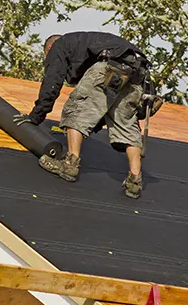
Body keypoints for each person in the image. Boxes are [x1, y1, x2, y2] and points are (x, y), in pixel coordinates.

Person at [14, 31, 155, 199]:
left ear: (49, 47)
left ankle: (70, 165)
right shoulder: (89, 43)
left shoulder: (60, 45)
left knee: (76, 109)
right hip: (139, 74)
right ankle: (135, 181)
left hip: (111, 67)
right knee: (126, 124)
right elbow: (101, 102)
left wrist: (36, 116)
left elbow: (53, 81)